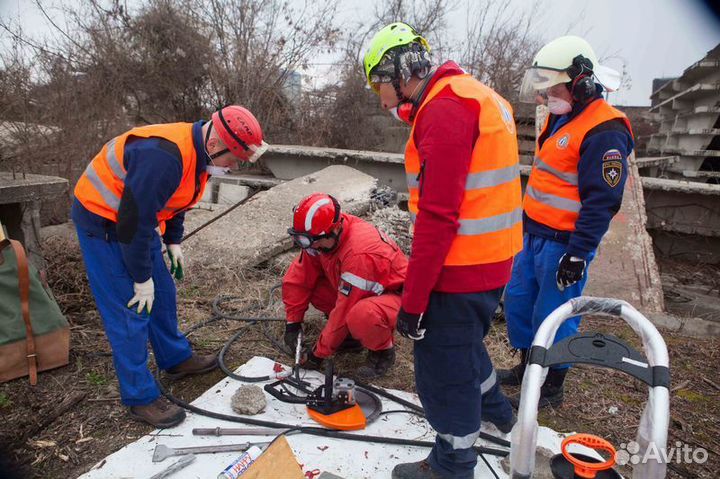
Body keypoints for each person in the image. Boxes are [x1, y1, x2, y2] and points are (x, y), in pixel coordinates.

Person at [363, 22, 523, 479]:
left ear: (401, 70)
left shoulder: (445, 109)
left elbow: (438, 216)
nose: (382, 98)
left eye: (380, 84)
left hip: (461, 267)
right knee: (466, 345)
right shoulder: (480, 96)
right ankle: (498, 412)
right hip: (492, 261)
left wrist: (412, 303)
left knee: (443, 371)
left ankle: (451, 463)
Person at [72, 105, 268, 428]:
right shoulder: (163, 158)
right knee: (131, 308)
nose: (233, 167)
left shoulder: (199, 153)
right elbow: (132, 223)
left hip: (136, 219)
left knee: (162, 291)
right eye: (233, 159)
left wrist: (172, 240)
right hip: (103, 220)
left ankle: (176, 359)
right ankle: (140, 396)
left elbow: (175, 199)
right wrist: (139, 277)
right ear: (218, 143)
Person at [500, 35, 634, 408]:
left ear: (581, 82)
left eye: (552, 87)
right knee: (521, 303)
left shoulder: (605, 129)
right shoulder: (564, 117)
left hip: (564, 243)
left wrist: (578, 254)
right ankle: (528, 368)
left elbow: (602, 200)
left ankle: (551, 386)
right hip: (534, 234)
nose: (545, 96)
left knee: (554, 315)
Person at [282, 193, 407, 379]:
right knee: (315, 290)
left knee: (362, 315)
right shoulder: (321, 239)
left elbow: (343, 311)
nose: (308, 246)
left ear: (333, 230)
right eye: (301, 240)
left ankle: (383, 352)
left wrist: (318, 355)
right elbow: (299, 278)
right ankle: (350, 338)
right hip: (364, 292)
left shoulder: (359, 254)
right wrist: (293, 323)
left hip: (399, 299)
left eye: (309, 241)